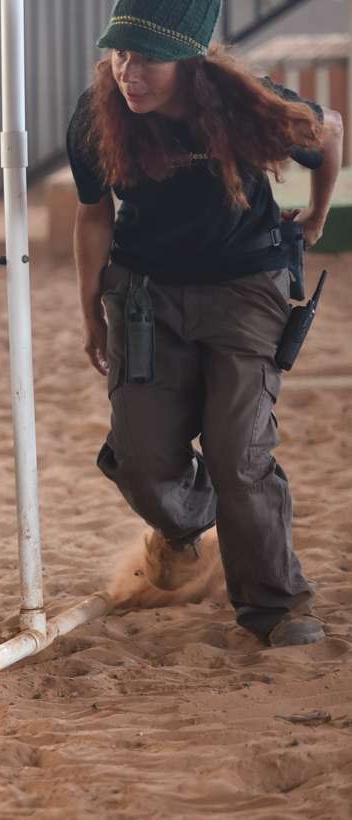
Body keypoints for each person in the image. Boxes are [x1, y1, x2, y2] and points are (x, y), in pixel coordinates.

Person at [67, 0, 343, 646]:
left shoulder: (246, 103)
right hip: (144, 293)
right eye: (121, 54)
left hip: (246, 287)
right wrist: (90, 309)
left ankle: (276, 605)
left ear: (190, 59)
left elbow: (328, 131)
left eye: (149, 58)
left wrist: (318, 216)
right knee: (140, 458)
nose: (129, 72)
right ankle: (189, 524)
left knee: (237, 453)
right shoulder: (97, 115)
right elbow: (92, 214)